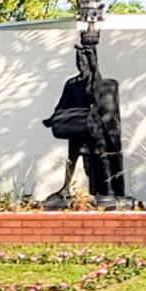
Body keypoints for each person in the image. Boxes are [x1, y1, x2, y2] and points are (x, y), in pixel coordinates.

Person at [43, 24, 126, 202]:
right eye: (78, 61)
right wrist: (52, 119)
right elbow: (62, 104)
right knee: (72, 157)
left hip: (95, 127)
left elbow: (96, 91)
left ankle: (109, 189)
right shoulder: (72, 83)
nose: (81, 64)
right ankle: (65, 187)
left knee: (101, 156)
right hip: (77, 125)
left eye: (84, 61)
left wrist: (94, 64)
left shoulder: (96, 82)